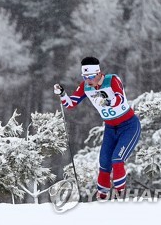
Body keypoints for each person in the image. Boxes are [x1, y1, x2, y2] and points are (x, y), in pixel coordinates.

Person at [54, 56, 141, 200]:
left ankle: (121, 196)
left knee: (117, 159)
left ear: (99, 73)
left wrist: (108, 101)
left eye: (91, 76)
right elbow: (71, 104)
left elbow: (120, 98)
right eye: (85, 76)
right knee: (104, 163)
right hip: (110, 128)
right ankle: (102, 198)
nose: (88, 80)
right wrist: (62, 94)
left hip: (129, 126)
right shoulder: (85, 86)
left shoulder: (112, 80)